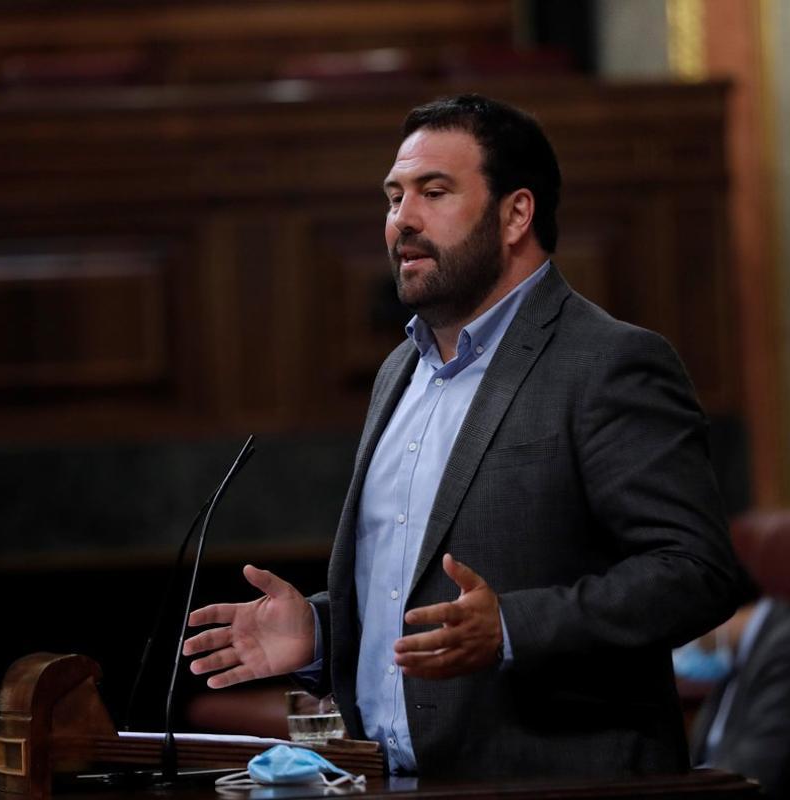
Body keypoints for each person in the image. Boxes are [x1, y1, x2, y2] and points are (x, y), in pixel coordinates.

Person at [182, 94, 748, 779]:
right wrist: (325, 631)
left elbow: (697, 573)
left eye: (434, 192)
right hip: (394, 781)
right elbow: (409, 594)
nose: (402, 221)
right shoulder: (400, 370)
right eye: (393, 198)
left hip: (561, 784)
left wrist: (511, 629)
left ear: (516, 214)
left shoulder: (608, 363)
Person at [679, 593, 790, 800]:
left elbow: (756, 772)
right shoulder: (736, 654)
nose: (680, 646)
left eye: (679, 634)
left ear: (710, 613)